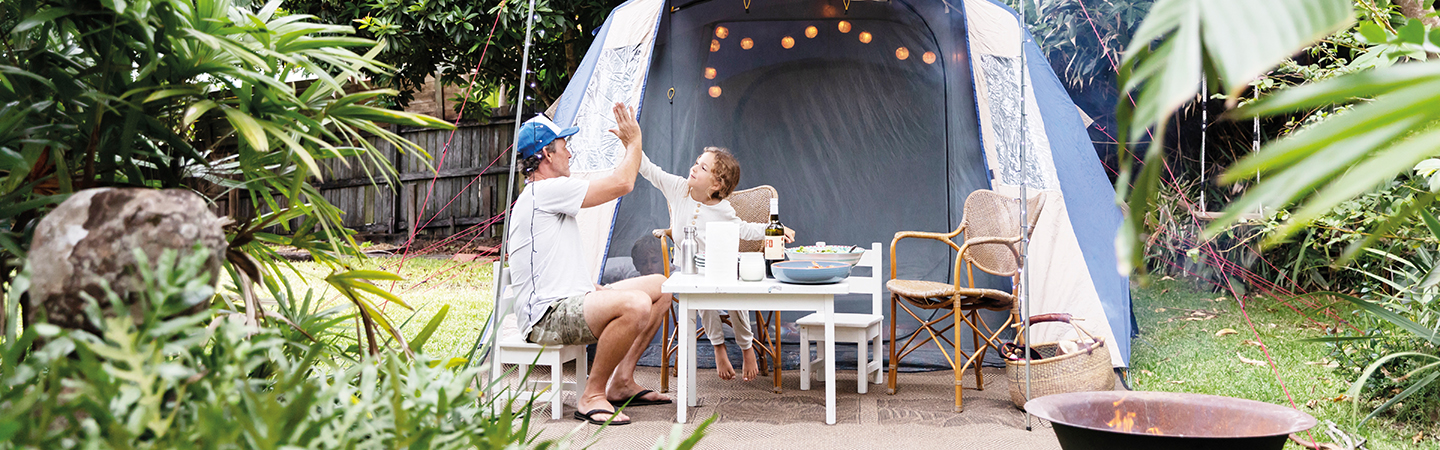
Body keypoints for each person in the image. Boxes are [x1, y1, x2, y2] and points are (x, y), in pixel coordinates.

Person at [506, 103, 671, 426]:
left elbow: (552, 261)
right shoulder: (544, 190)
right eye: (565, 147)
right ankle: (592, 395)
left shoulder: (547, 193)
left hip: (571, 300)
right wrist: (634, 141)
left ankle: (621, 381)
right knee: (636, 304)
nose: (570, 154)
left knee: (664, 286)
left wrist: (590, 289)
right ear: (547, 156)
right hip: (546, 317)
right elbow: (623, 183)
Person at [639, 146, 794, 381]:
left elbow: (743, 229)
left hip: (721, 269)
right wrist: (631, 143)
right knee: (702, 296)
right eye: (697, 162)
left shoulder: (723, 209)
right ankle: (718, 347)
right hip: (690, 272)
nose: (694, 167)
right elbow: (650, 171)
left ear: (716, 185)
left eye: (703, 167)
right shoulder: (679, 189)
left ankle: (746, 347)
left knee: (735, 297)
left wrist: (774, 231)